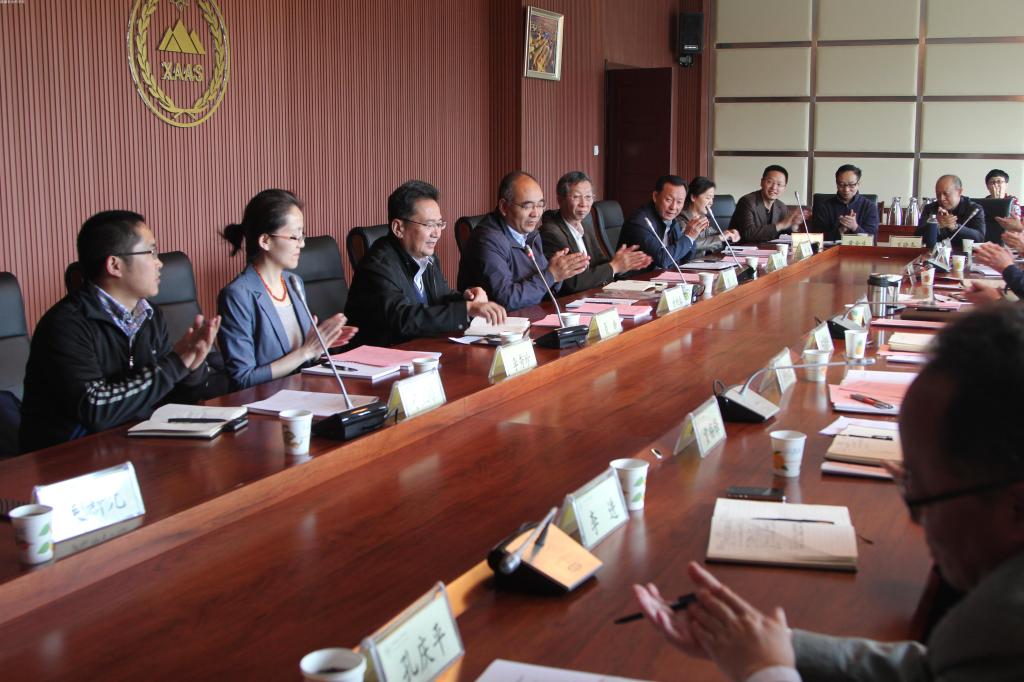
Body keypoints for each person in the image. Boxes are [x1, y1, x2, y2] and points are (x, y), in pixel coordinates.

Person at [632, 304, 1024, 681]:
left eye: (918, 497)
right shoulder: (991, 632)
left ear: (1017, 508)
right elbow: (929, 671)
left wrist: (766, 670)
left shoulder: (1006, 618)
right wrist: (768, 644)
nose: (917, 525)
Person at [20, 211, 220, 453]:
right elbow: (96, 408)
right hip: (67, 458)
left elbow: (171, 399)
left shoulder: (149, 316)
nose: (159, 263)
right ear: (115, 265)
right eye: (151, 252)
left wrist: (192, 368)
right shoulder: (66, 325)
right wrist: (176, 364)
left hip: (132, 446)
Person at [217, 189, 356, 389]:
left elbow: (303, 362)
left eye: (302, 235)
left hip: (302, 393)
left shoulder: (293, 282)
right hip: (265, 401)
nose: (302, 244)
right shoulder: (237, 295)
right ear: (265, 241)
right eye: (294, 236)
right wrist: (306, 351)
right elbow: (243, 379)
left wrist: (320, 344)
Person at [345, 180, 506, 346]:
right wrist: (466, 309)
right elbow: (403, 319)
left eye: (439, 224)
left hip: (418, 351)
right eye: (429, 225)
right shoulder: (376, 267)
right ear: (398, 228)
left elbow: (440, 298)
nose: (437, 233)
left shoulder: (426, 257)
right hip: (380, 357)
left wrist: (468, 299)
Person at [457, 171, 588, 310]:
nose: (535, 213)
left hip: (533, 314)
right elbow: (506, 300)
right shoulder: (487, 240)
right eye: (527, 206)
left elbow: (544, 292)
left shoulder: (531, 234)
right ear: (504, 207)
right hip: (500, 321)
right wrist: (551, 275)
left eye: (540, 205)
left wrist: (558, 271)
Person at [539, 171, 650, 293]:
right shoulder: (551, 232)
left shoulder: (585, 225)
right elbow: (572, 282)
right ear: (560, 200)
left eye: (588, 197)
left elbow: (600, 263)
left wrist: (623, 264)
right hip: (569, 300)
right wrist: (614, 266)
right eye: (576, 197)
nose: (584, 204)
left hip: (592, 294)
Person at [617, 175, 702, 270]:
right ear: (655, 196)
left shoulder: (673, 220)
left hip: (663, 276)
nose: (673, 207)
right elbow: (662, 259)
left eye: (679, 202)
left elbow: (683, 259)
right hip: (637, 277)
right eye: (669, 200)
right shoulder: (640, 222)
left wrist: (691, 236)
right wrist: (689, 237)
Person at [729, 165, 807, 244]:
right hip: (742, 249)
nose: (774, 187)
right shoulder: (747, 202)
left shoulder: (781, 207)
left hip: (768, 249)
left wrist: (794, 225)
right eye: (770, 182)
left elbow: (785, 233)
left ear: (784, 188)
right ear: (762, 182)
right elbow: (748, 234)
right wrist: (781, 225)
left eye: (779, 184)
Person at [810, 164, 879, 241]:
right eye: (841, 185)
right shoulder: (824, 207)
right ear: (837, 184)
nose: (846, 190)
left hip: (859, 249)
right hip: (832, 249)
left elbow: (872, 240)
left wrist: (855, 227)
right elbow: (816, 239)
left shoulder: (869, 207)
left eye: (851, 185)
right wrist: (840, 230)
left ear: (858, 184)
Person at [915, 175, 986, 247]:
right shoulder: (930, 208)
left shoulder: (974, 209)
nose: (941, 198)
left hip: (962, 253)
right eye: (938, 194)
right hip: (935, 253)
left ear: (959, 192)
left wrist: (955, 227)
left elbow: (980, 238)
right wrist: (936, 225)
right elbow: (917, 237)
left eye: (946, 194)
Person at [680, 176, 740, 258]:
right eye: (708, 198)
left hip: (702, 261)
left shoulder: (701, 217)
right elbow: (691, 244)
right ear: (693, 197)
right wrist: (721, 237)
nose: (711, 202)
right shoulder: (681, 218)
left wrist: (729, 234)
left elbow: (712, 234)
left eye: (712, 198)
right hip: (686, 263)